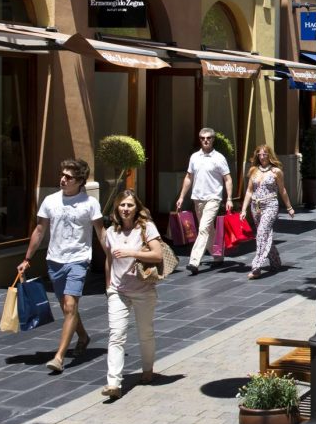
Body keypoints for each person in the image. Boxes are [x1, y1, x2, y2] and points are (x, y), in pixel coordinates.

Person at [18, 158, 105, 373]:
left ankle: (59, 357)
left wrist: (113, 258)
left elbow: (100, 232)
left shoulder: (90, 203)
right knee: (67, 308)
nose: (63, 179)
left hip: (79, 260)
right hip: (54, 260)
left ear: (80, 181)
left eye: (69, 177)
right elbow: (40, 230)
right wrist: (27, 259)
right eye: (62, 175)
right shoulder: (50, 200)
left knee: (70, 306)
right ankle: (83, 336)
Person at [101, 190, 162, 399]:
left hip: (143, 290)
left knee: (145, 333)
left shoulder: (146, 228)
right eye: (122, 205)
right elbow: (109, 259)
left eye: (130, 205)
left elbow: (157, 255)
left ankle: (148, 370)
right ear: (116, 207)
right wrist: (108, 285)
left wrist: (132, 253)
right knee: (116, 335)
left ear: (137, 208)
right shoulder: (111, 232)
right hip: (118, 291)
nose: (125, 209)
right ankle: (114, 383)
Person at [176, 128, 233, 275]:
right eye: (202, 138)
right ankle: (218, 255)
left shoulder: (219, 158)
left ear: (213, 139)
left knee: (203, 229)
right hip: (198, 198)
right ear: (200, 140)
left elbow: (227, 179)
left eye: (208, 138)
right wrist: (181, 197)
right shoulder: (194, 157)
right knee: (208, 230)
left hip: (213, 198)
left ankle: (194, 261)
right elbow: (188, 177)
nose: (205, 140)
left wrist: (229, 198)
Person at [240, 145, 295, 279]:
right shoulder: (253, 170)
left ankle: (256, 266)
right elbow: (249, 191)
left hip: (270, 204)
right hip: (255, 206)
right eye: (260, 154)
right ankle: (275, 261)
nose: (262, 157)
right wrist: (243, 209)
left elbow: (282, 190)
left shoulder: (276, 172)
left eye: (265, 154)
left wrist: (289, 207)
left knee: (261, 233)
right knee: (265, 235)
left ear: (269, 155)